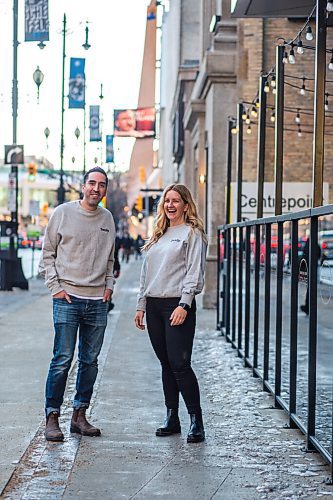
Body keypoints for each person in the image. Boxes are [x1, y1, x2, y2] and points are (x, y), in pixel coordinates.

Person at [39, 167, 116, 442]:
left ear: (106, 190)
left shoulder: (107, 218)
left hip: (97, 301)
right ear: (83, 186)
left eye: (102, 185)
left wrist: (109, 286)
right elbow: (47, 253)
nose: (96, 188)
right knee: (62, 359)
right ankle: (52, 417)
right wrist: (56, 289)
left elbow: (109, 259)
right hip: (67, 299)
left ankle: (79, 415)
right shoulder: (62, 213)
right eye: (92, 183)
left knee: (90, 361)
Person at [134, 184, 207, 443]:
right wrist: (141, 305)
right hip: (154, 306)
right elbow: (146, 274)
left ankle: (196, 420)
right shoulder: (158, 235)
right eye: (167, 200)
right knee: (166, 364)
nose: (170, 205)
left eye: (176, 200)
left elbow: (194, 272)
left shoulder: (192, 233)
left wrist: (184, 304)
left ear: (186, 205)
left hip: (177, 305)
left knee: (180, 364)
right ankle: (172, 417)